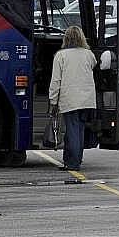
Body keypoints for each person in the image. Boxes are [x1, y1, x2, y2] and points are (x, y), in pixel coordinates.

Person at [48, 26, 98, 172]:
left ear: (66, 38)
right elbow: (93, 66)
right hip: (87, 99)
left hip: (70, 99)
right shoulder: (89, 54)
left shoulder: (61, 56)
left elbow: (56, 80)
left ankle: (73, 163)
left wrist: (53, 101)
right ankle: (74, 159)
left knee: (72, 131)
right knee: (80, 130)